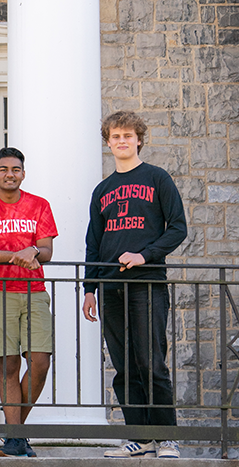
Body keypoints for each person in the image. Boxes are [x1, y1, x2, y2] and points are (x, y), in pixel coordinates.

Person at [83, 111, 187, 459]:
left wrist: (146, 255)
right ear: (108, 142)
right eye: (115, 137)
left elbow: (177, 228)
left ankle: (167, 438)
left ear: (139, 139)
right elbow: (93, 244)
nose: (122, 141)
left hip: (146, 284)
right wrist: (89, 289)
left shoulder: (158, 179)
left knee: (152, 362)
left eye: (128, 135)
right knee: (124, 367)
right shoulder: (103, 190)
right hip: (111, 288)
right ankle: (141, 439)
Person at [0, 147, 58, 458]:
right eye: (3, 169)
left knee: (40, 361)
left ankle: (13, 434)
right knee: (9, 364)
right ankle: (17, 440)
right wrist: (21, 255)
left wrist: (34, 252)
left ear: (23, 173)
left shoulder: (39, 205)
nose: (9, 174)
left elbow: (46, 251)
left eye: (15, 169)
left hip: (34, 291)